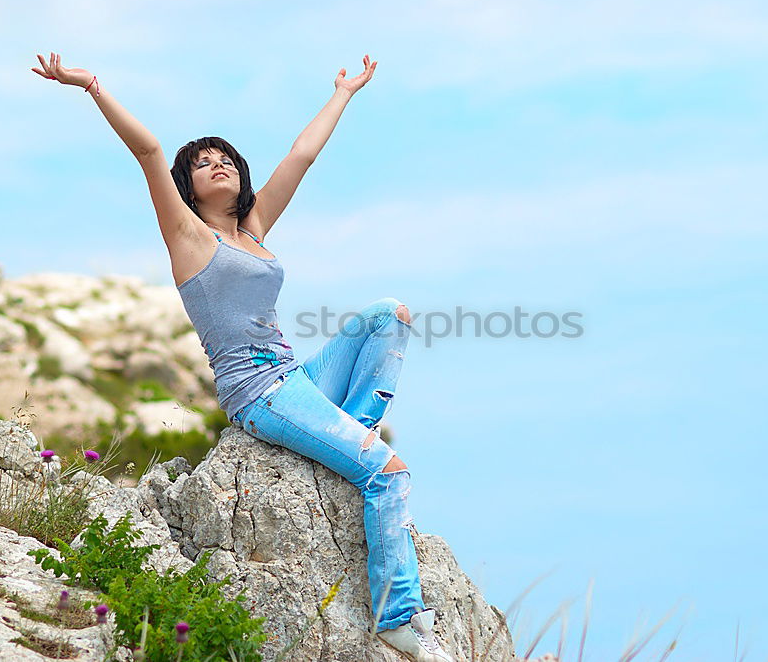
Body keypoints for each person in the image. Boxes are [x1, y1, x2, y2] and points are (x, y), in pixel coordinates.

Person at [31, 51, 454, 662]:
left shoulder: (251, 230)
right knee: (390, 474)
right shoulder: (189, 237)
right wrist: (92, 86)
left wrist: (344, 92)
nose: (217, 165)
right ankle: (399, 618)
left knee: (390, 313)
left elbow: (300, 158)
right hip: (259, 394)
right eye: (202, 164)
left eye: (224, 157)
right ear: (189, 186)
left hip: (295, 377)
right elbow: (149, 152)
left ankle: (350, 438)